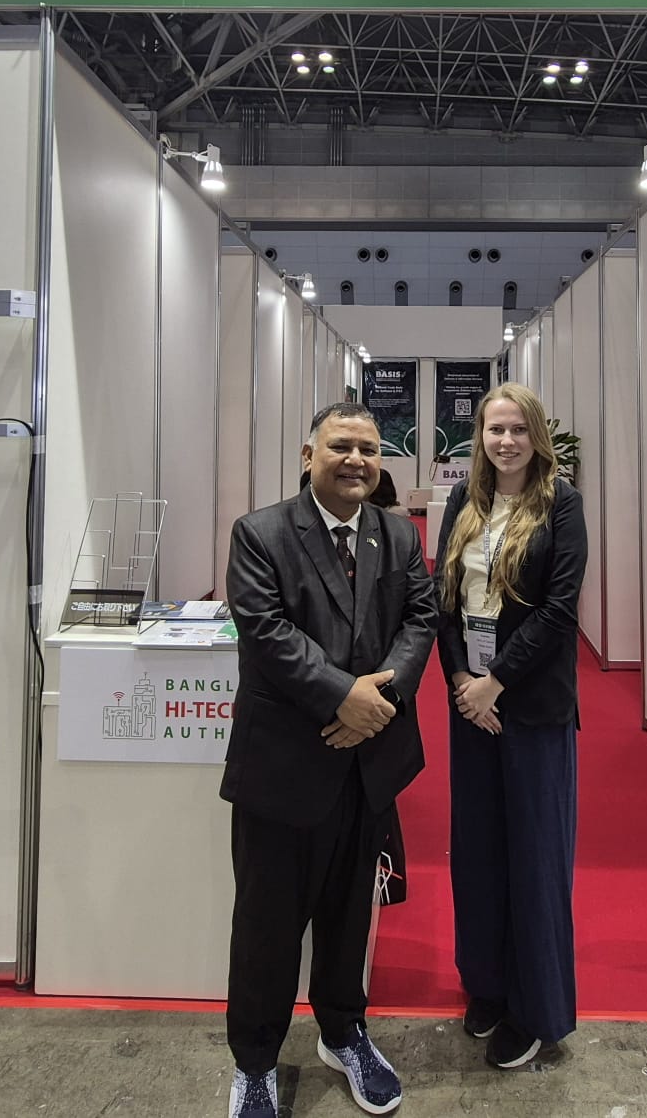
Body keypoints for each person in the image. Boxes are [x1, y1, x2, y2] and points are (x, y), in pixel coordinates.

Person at [223, 401, 438, 1118]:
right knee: (267, 926)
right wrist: (343, 697)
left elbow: (420, 618)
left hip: (367, 764)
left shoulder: (396, 534)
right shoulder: (260, 534)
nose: (356, 460)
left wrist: (381, 700)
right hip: (285, 764)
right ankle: (256, 1063)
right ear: (307, 455)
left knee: (350, 919)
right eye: (341, 446)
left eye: (369, 449)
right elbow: (266, 631)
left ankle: (344, 1033)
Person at [434, 382, 588, 1071]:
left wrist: (495, 680)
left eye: (518, 429)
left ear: (536, 436)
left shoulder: (562, 504)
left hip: (529, 706)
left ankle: (535, 1009)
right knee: (477, 852)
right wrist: (461, 683)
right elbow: (441, 601)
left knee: (534, 858)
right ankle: (488, 985)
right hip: (471, 706)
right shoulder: (463, 503)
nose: (506, 441)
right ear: (481, 438)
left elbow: (559, 610)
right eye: (495, 430)